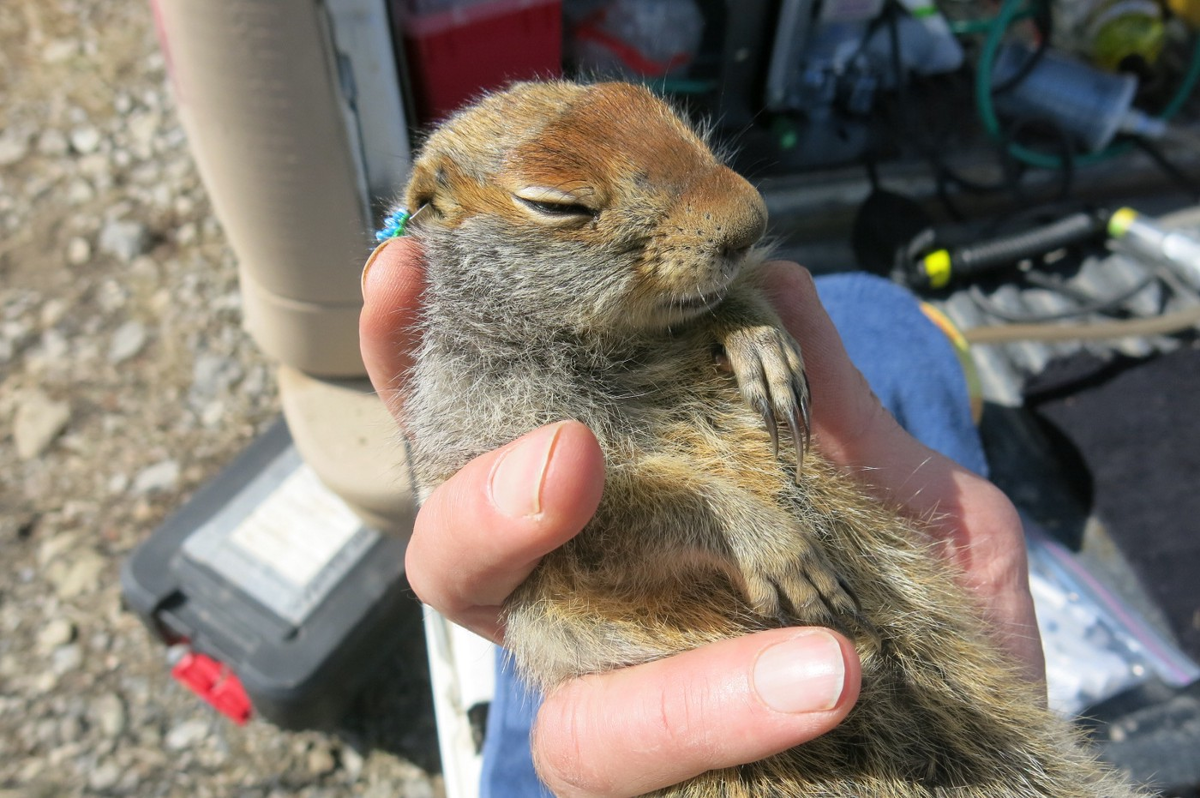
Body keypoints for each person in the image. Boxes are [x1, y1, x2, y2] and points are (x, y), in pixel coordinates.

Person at [359, 235, 1044, 798]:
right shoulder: (485, 353)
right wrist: (726, 524)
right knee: (881, 316)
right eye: (564, 209)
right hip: (715, 688)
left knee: (868, 313)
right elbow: (596, 532)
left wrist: (740, 316)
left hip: (937, 686)